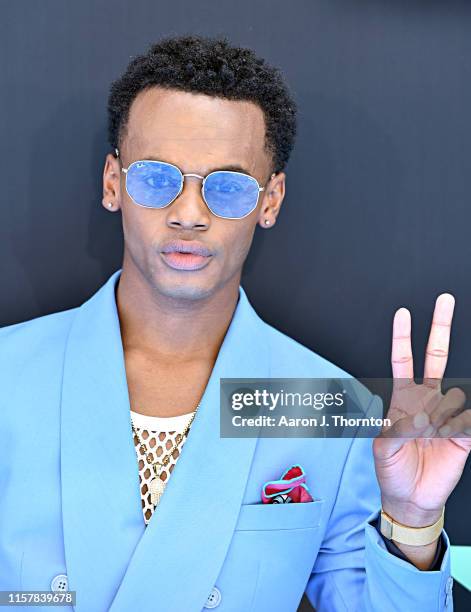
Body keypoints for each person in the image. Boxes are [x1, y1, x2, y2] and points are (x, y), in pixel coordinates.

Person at [0, 34, 469, 612]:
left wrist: (414, 525)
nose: (189, 214)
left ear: (270, 201)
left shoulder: (328, 408)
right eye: (155, 177)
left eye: (227, 187)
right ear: (112, 182)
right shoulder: (7, 375)